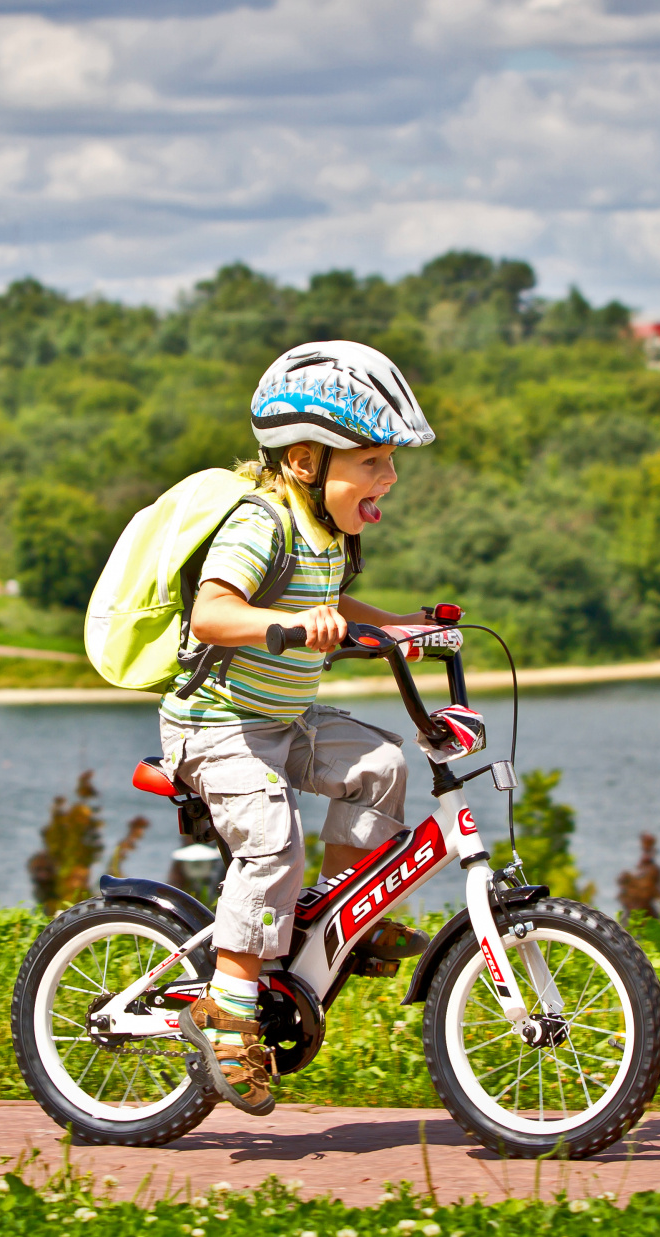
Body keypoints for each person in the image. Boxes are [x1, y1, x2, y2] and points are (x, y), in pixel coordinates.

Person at [165, 339, 439, 1115]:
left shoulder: (328, 534)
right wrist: (283, 626)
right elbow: (213, 612)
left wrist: (396, 626)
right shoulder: (260, 522)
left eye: (390, 461)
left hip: (283, 718)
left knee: (382, 763)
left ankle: (340, 916)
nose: (389, 478)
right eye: (375, 461)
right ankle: (227, 1009)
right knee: (272, 840)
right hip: (216, 725)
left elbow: (334, 601)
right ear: (306, 462)